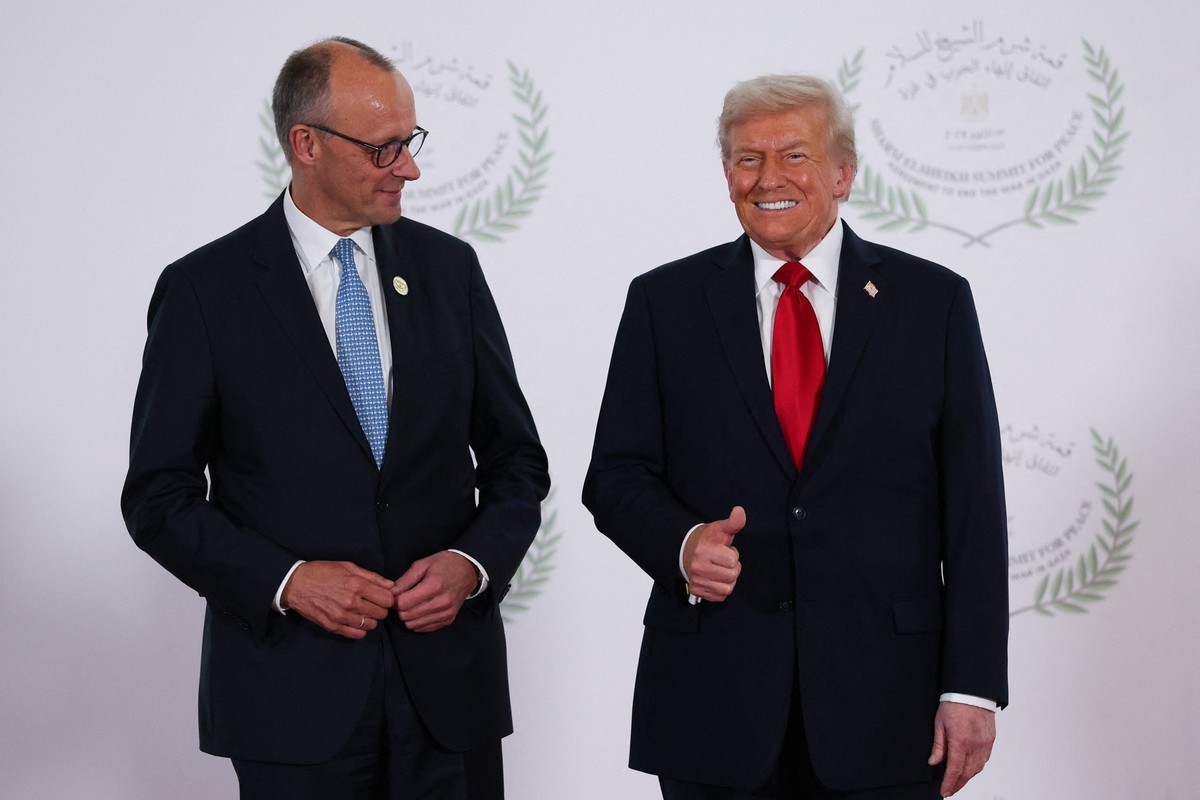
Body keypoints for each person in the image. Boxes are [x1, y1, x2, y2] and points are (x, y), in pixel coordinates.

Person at [121, 37, 548, 799]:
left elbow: (518, 462)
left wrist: (472, 564)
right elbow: (158, 499)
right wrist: (286, 580)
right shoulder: (204, 292)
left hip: (447, 693)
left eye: (410, 144)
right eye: (384, 149)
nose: (409, 168)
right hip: (291, 700)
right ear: (306, 144)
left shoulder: (450, 272)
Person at [583, 74, 1007, 800]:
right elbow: (616, 476)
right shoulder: (663, 302)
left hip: (887, 705)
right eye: (748, 159)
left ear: (843, 173)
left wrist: (972, 687)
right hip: (714, 699)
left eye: (795, 157)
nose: (769, 178)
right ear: (726, 176)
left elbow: (972, 508)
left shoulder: (933, 302)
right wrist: (684, 544)